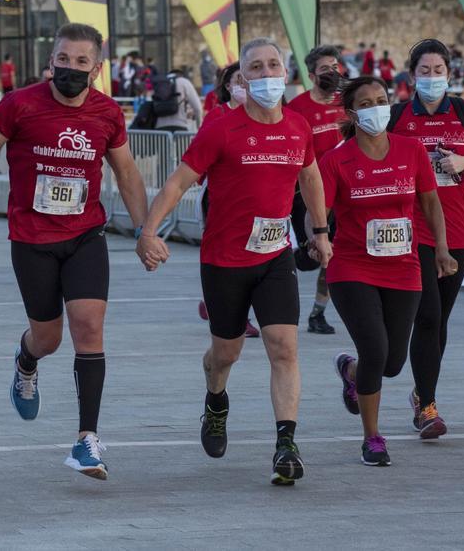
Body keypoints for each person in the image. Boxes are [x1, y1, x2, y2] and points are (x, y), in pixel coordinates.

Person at [0, 23, 149, 480]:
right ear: (51, 60)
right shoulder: (19, 105)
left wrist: (144, 230)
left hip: (85, 235)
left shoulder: (107, 113)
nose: (71, 69)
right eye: (64, 59)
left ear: (97, 69)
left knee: (89, 326)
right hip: (32, 240)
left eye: (82, 62)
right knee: (49, 338)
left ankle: (86, 441)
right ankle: (26, 360)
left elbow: (127, 172)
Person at [135, 37, 333, 486]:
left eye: (273, 66)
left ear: (286, 73)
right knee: (226, 353)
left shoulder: (298, 127)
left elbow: (311, 177)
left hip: (274, 255)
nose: (267, 75)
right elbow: (178, 182)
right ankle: (216, 401)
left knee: (284, 347)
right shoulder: (222, 128)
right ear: (242, 79)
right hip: (224, 261)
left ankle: (286, 444)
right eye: (257, 69)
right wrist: (148, 232)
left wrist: (319, 233)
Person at [320, 75, 456, 466]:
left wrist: (442, 250)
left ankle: (352, 371)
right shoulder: (336, 159)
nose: (376, 108)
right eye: (366, 103)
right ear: (351, 113)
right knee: (376, 349)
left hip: (404, 266)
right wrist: (315, 239)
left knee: (392, 363)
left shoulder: (411, 150)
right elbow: (321, 210)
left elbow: (431, 204)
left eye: (381, 100)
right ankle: (372, 437)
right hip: (352, 267)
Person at [388, 38, 464, 439]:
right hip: (411, 233)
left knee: (440, 323)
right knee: (428, 316)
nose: (432, 78)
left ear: (449, 75)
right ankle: (427, 408)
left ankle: (422, 392)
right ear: (411, 76)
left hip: (457, 231)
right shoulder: (397, 116)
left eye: (439, 71)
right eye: (425, 71)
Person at [286, 46, 348, 335]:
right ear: (311, 75)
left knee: (332, 254)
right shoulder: (297, 108)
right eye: (325, 69)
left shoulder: (346, 103)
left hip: (342, 192)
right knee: (310, 258)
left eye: (335, 67)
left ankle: (317, 314)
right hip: (306, 194)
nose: (332, 73)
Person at [195, 63, 260, 338]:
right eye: (239, 80)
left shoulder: (265, 116)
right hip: (220, 197)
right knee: (227, 255)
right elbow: (198, 156)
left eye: (249, 80)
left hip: (255, 200)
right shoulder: (217, 115)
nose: (244, 86)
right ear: (228, 86)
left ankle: (216, 304)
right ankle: (233, 313)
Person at [154, 68, 204, 133]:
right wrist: (199, 127)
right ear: (181, 75)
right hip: (180, 126)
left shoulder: (160, 84)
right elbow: (198, 108)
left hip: (160, 129)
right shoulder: (184, 82)